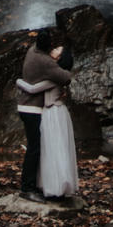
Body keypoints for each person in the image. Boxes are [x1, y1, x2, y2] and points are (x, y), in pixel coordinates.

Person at [11, 28, 71, 198]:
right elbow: (66, 77)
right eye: (53, 45)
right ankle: (27, 187)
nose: (55, 47)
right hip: (32, 109)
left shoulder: (32, 50)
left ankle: (34, 184)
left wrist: (18, 81)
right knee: (35, 148)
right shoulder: (47, 63)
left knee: (36, 147)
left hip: (26, 107)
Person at [37, 42, 79, 200]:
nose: (52, 49)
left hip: (53, 113)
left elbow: (36, 88)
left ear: (60, 58)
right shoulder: (58, 72)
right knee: (54, 147)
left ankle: (58, 185)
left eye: (57, 50)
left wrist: (20, 83)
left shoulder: (57, 74)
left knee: (55, 148)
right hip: (55, 112)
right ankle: (55, 184)